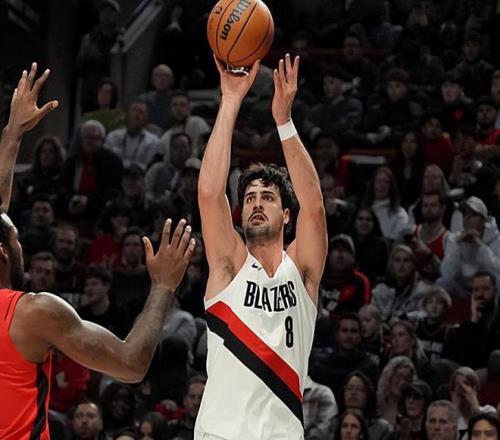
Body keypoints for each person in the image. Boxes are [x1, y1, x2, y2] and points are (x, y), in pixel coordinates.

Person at [0, 63, 195, 440]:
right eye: (18, 241)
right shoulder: (33, 312)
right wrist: (163, 286)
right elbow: (131, 364)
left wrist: (13, 133)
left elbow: (0, 217)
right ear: (4, 255)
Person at [194, 54, 327, 440]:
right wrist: (230, 99)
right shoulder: (229, 267)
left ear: (286, 215)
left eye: (267, 197)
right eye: (250, 197)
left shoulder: (301, 270)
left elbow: (314, 206)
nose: (255, 203)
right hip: (221, 434)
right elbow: (209, 194)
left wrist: (284, 121)